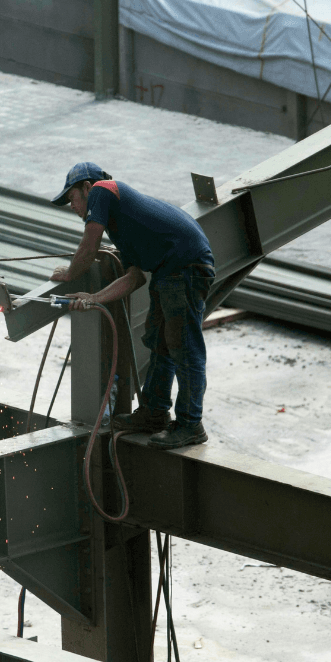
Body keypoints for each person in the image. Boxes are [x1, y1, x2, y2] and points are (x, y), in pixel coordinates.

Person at [50, 162, 215, 449]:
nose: (73, 206)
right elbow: (134, 278)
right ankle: (154, 413)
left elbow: (89, 247)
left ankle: (191, 425)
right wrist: (93, 298)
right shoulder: (123, 230)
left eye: (73, 198)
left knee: (184, 347)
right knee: (161, 342)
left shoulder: (103, 190)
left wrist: (69, 273)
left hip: (186, 266)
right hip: (169, 270)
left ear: (87, 187)